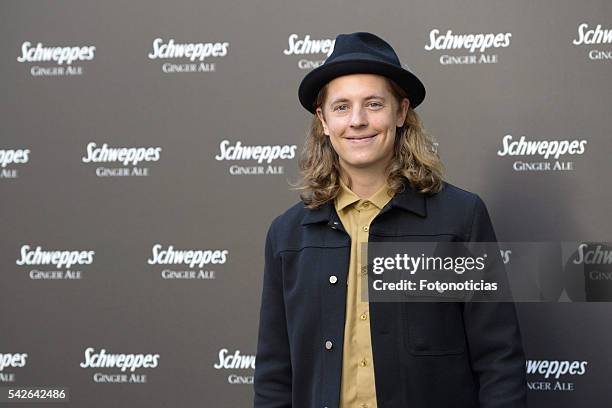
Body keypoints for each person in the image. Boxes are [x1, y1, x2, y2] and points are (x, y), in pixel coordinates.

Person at [254, 32, 526, 408]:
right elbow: (274, 375)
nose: (358, 120)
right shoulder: (287, 235)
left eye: (373, 103)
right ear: (322, 121)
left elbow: (499, 360)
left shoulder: (461, 217)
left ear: (400, 112)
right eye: (341, 107)